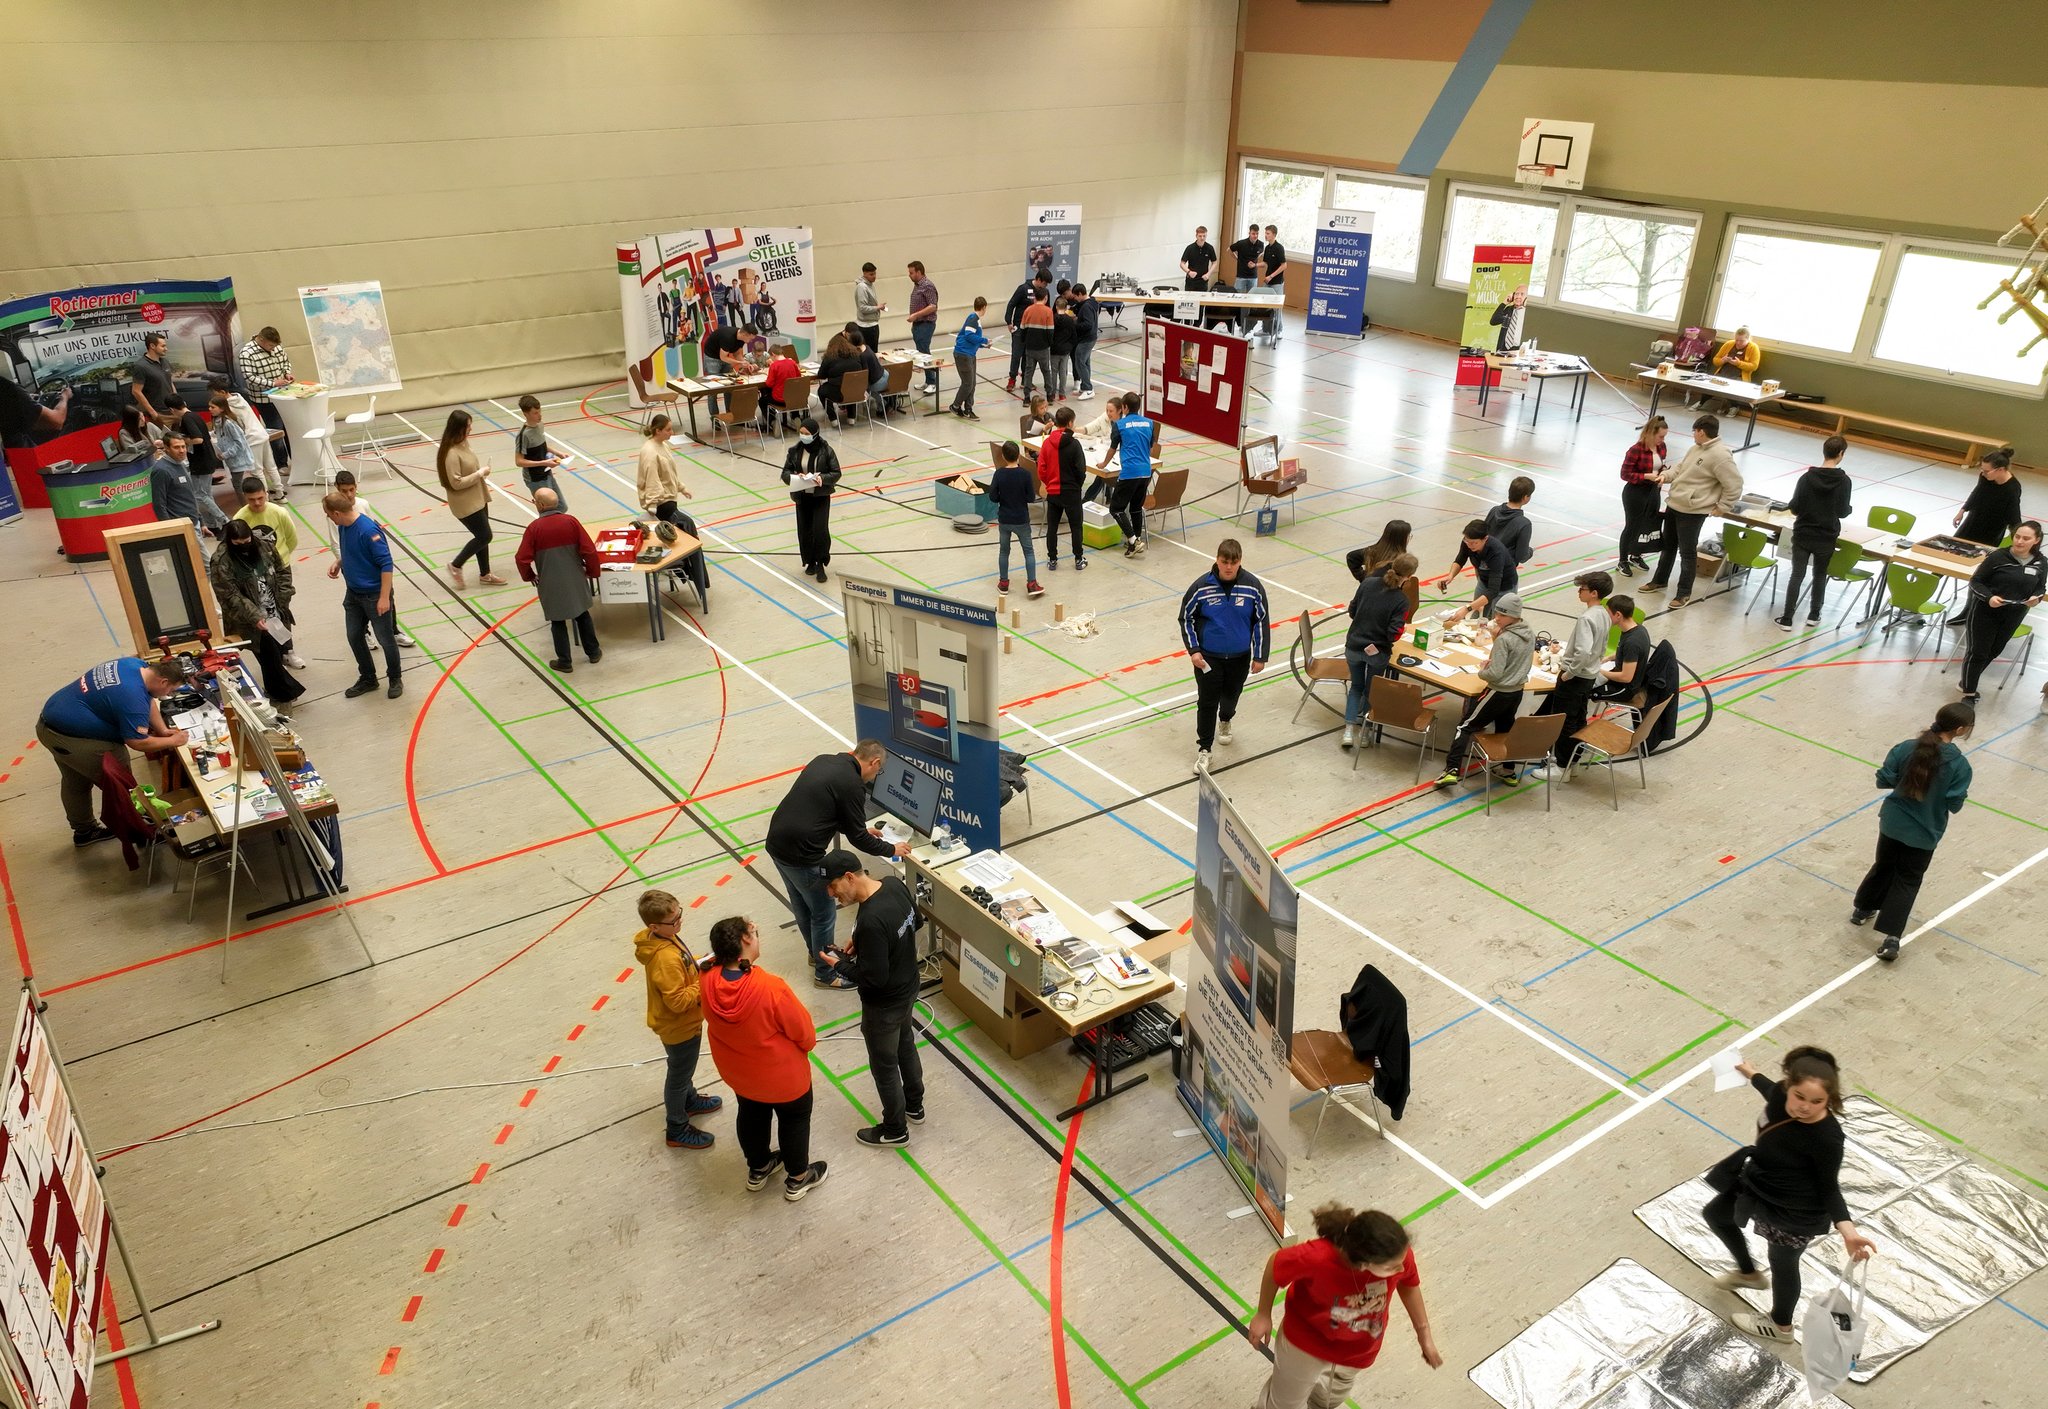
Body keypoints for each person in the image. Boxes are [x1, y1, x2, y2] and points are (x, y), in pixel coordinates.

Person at [1702, 1047, 1876, 1342]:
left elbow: (1829, 1188)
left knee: (1783, 1263)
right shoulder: (1781, 1096)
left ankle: (1780, 1326)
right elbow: (1770, 1089)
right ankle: (1749, 1274)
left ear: (1829, 1099)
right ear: (1789, 1086)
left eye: (1817, 1101)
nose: (1805, 1107)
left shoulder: (1827, 1139)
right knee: (1716, 1214)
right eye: (1799, 1096)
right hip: (1760, 1184)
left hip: (1795, 1211)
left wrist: (1848, 1231)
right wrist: (1750, 1072)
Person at [1245, 1203, 1441, 1409]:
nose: (1401, 1268)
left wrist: (1424, 1335)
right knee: (1285, 1404)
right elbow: (1276, 1264)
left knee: (1326, 1401)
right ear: (1364, 1263)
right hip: (1305, 1346)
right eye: (1392, 1267)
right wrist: (1263, 1314)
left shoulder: (1398, 1255)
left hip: (1354, 1354)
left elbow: (1409, 1284)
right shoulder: (1317, 1257)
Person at [699, 915, 828, 1200]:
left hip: (740, 1074)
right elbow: (805, 1034)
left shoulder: (707, 978)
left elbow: (709, 963)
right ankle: (798, 1178)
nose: (757, 936)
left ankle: (759, 1167)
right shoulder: (770, 988)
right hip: (782, 1077)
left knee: (751, 1114)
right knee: (794, 1120)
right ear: (745, 940)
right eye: (754, 932)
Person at [764, 741, 910, 986]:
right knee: (823, 913)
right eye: (879, 770)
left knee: (802, 905)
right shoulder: (853, 784)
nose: (877, 775)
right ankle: (826, 973)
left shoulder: (824, 760)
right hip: (803, 854)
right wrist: (891, 849)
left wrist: (859, 828)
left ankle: (816, 954)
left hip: (777, 843)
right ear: (874, 763)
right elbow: (858, 840)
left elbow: (824, 811)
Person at [1851, 702, 1974, 963]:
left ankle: (1862, 909)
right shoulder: (1960, 766)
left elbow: (1884, 779)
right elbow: (1955, 804)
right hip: (1924, 832)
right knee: (1908, 880)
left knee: (1884, 865)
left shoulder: (1906, 747)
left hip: (1893, 822)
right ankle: (1891, 938)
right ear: (1960, 730)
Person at [818, 852, 926, 1148]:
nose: (830, 894)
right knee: (905, 1044)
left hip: (884, 1006)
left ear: (849, 878)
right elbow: (915, 923)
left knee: (885, 1067)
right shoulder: (893, 885)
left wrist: (839, 965)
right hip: (909, 987)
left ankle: (895, 1130)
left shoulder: (870, 920)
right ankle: (915, 1106)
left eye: (832, 886)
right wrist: (866, 945)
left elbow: (873, 979)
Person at [36, 655, 191, 846]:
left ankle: (84, 832)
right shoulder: (132, 697)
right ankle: (143, 834)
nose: (169, 694)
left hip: (50, 724)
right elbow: (137, 742)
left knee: (75, 782)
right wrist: (173, 741)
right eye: (171, 690)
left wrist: (163, 730)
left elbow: (149, 698)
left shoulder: (134, 665)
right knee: (124, 788)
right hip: (75, 739)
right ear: (164, 681)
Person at [633, 889, 722, 1152]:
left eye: (679, 914)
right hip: (680, 1027)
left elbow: (682, 969)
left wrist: (698, 963)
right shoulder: (665, 959)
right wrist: (702, 979)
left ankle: (689, 1100)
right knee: (679, 1076)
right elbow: (679, 1001)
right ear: (654, 926)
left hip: (684, 1023)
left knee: (684, 1071)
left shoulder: (665, 937)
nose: (679, 921)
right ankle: (677, 1127)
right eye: (674, 920)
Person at [1180, 539, 1271, 773]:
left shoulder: (1253, 587)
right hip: (1208, 658)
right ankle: (1205, 750)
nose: (1229, 567)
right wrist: (1194, 650)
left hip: (1240, 658)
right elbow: (1186, 618)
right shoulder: (1200, 587)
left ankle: (1226, 719)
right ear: (1217, 560)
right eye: (1224, 562)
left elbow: (1261, 621)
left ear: (1240, 561)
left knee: (1231, 697)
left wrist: (1260, 656)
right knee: (1207, 702)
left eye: (1234, 562)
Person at [1434, 592, 1534, 789]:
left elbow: (1495, 674)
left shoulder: (1505, 639)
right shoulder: (1529, 633)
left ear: (1514, 616)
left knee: (1465, 727)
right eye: (1496, 613)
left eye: (1502, 615)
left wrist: (1482, 671)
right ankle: (1508, 771)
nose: (1497, 618)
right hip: (1516, 692)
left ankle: (1451, 769)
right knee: (1505, 728)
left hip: (1498, 691)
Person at [1641, 414, 1742, 608]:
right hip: (1675, 504)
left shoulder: (1721, 455)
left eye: (1694, 431)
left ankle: (1683, 593)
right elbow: (1680, 469)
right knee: (1668, 546)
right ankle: (1659, 580)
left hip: (1693, 511)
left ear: (1701, 432)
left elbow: (1735, 484)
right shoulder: (1695, 448)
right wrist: (1665, 476)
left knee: (1687, 553)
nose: (1693, 435)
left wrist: (1723, 507)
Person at [208, 520, 304, 705]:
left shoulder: (264, 547)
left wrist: (284, 596)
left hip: (275, 609)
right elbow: (229, 594)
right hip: (249, 618)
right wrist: (254, 616)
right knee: (267, 655)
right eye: (238, 544)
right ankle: (283, 692)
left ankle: (280, 688)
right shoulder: (221, 561)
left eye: (247, 541)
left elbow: (282, 570)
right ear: (230, 541)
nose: (244, 546)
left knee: (276, 650)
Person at [1530, 572, 1613, 779]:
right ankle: (1572, 762)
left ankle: (1561, 767)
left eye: (1582, 589)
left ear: (1594, 593)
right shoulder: (1604, 614)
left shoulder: (1587, 618)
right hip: (1589, 676)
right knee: (1578, 719)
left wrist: (1569, 673)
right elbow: (1601, 647)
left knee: (1564, 721)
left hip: (1576, 677)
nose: (1579, 592)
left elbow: (1583, 652)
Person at [514, 488, 602, 673]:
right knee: (582, 615)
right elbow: (589, 550)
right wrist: (592, 571)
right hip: (575, 578)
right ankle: (593, 652)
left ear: (541, 505)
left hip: (550, 583)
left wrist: (530, 576)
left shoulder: (534, 529)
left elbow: (521, 559)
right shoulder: (571, 522)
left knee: (557, 621)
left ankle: (565, 661)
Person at [325, 490, 402, 698]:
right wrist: (339, 562)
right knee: (354, 635)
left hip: (374, 595)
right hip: (354, 593)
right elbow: (352, 551)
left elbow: (386, 564)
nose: (329, 518)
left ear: (337, 513)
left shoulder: (368, 530)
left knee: (386, 639)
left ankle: (395, 678)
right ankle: (368, 678)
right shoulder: (343, 526)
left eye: (329, 515)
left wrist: (384, 597)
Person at [1957, 520, 2045, 702]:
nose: (2019, 541)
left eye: (2026, 538)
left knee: (1994, 650)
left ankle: (1966, 680)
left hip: (2014, 614)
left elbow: (2040, 587)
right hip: (1985, 612)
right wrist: (1989, 598)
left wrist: (2036, 598)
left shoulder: (2042, 562)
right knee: (1978, 652)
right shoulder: (1998, 557)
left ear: (2036, 540)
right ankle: (1969, 693)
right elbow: (1976, 581)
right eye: (2017, 536)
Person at [1774, 436, 1852, 630]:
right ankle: (1814, 615)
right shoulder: (1844, 481)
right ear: (1841, 454)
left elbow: (1795, 507)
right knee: (1819, 574)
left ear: (1823, 452)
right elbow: (1842, 511)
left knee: (1797, 575)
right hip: (1826, 535)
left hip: (1803, 533)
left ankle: (1787, 619)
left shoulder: (1806, 478)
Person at [231, 478, 307, 669]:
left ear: (266, 493)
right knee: (263, 613)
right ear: (245, 498)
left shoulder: (279, 512)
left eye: (260, 498)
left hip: (279, 570)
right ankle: (274, 655)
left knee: (282, 609)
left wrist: (280, 559)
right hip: (255, 573)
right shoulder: (240, 518)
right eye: (252, 500)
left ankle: (288, 651)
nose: (257, 503)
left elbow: (291, 539)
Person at [1342, 553, 1416, 748]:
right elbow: (1393, 634)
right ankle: (1365, 732)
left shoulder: (1367, 583)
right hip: (1377, 652)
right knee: (1371, 690)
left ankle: (1348, 731)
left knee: (1356, 687)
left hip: (1354, 645)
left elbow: (1352, 611)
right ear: (1409, 576)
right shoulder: (1401, 600)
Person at [436, 409, 504, 589]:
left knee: (482, 536)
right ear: (458, 428)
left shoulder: (463, 443)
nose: (471, 429)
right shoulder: (451, 453)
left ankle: (485, 574)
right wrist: (480, 473)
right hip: (465, 503)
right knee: (485, 535)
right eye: (468, 426)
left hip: (478, 496)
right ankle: (456, 565)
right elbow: (456, 483)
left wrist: (479, 474)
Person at [780, 417, 842, 583]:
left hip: (820, 497)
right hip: (802, 497)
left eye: (806, 433)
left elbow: (836, 473)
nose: (803, 436)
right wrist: (795, 477)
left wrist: (822, 478)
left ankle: (821, 563)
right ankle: (810, 562)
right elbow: (785, 473)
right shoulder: (794, 451)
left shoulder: (826, 450)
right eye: (801, 433)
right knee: (805, 531)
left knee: (820, 530)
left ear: (815, 434)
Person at [1449, 477, 1533, 592]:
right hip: (1503, 576)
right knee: (1497, 600)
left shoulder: (1494, 511)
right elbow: (1521, 556)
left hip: (1483, 569)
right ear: (1525, 498)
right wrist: (1530, 552)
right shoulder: (1524, 523)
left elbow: (1482, 534)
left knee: (1484, 599)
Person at [985, 440, 1044, 597]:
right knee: (1028, 552)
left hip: (1005, 519)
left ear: (1003, 456)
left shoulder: (999, 474)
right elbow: (1031, 498)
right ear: (1018, 455)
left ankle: (1004, 583)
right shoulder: (1025, 474)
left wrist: (1004, 498)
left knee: (1004, 551)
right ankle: (1032, 584)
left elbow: (992, 496)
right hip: (1021, 519)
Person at [235, 325, 295, 476]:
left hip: (283, 394)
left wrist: (287, 373)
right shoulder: (246, 353)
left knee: (290, 427)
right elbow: (249, 378)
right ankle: (281, 463)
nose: (274, 348)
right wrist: (273, 383)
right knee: (276, 430)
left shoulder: (277, 346)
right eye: (270, 346)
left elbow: (285, 362)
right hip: (264, 399)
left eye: (275, 346)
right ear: (261, 340)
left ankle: (296, 459)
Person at [1101, 399, 1157, 556]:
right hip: (1146, 471)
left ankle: (1133, 540)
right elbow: (1150, 447)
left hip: (1129, 472)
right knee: (1136, 508)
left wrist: (1104, 463)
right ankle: (1136, 540)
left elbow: (1113, 448)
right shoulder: (1149, 423)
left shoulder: (1120, 425)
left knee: (1116, 509)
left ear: (1124, 407)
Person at [1617, 416, 1668, 576]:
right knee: (1632, 526)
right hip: (1635, 492)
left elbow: (1659, 466)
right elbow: (1625, 474)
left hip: (1653, 491)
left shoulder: (1661, 447)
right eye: (1661, 436)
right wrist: (1645, 476)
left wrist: (1663, 473)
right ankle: (1622, 561)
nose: (1662, 440)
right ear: (1651, 433)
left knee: (1646, 524)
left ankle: (1636, 555)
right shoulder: (1636, 450)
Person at [1040, 406, 1087, 572]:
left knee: (1052, 527)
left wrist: (1049, 483)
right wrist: (1077, 486)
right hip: (1071, 492)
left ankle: (1052, 559)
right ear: (1070, 423)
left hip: (1053, 492)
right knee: (1076, 526)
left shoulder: (1047, 443)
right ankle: (1078, 559)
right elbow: (1081, 470)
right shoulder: (1075, 444)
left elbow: (1041, 469)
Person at [1443, 520, 1514, 624]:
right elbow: (1460, 560)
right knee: (1475, 618)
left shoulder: (1496, 552)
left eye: (1474, 543)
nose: (1469, 545)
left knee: (1498, 622)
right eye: (1467, 541)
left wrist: (1466, 608)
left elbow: (1493, 591)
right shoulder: (1467, 542)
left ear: (1485, 538)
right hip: (1484, 581)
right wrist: (1451, 576)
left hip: (1504, 587)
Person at [1953, 448, 2023, 546]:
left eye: (1986, 471)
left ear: (2001, 469)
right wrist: (1962, 510)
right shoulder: (1985, 477)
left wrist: (2018, 535)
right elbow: (1977, 493)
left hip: (1992, 528)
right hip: (1974, 519)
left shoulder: (2012, 488)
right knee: (1956, 545)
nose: (1983, 473)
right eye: (1982, 469)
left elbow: (2013, 513)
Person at [637, 414, 695, 527]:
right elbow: (651, 478)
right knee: (687, 523)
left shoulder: (664, 445)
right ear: (658, 431)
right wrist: (652, 504)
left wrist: (681, 488)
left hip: (670, 499)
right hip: (661, 503)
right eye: (668, 430)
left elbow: (670, 473)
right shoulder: (650, 451)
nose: (672, 432)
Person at [512, 393, 569, 508]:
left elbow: (542, 446)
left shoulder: (540, 425)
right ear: (526, 414)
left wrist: (558, 453)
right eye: (535, 413)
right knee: (548, 510)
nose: (540, 415)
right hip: (535, 478)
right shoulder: (523, 435)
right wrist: (544, 462)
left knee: (561, 507)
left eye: (539, 411)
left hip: (546, 473)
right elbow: (519, 461)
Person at [1594, 595, 1649, 702]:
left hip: (1624, 689)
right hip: (1618, 677)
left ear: (1618, 615)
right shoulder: (1637, 628)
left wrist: (1599, 671)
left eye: (1608, 613)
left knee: (1582, 690)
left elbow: (1626, 677)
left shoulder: (1632, 642)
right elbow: (1625, 653)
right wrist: (1607, 659)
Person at [1003, 270, 1051, 392]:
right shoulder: (1023, 289)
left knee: (1028, 356)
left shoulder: (1045, 293)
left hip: (1033, 330)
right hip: (1019, 328)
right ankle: (1012, 379)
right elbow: (1011, 304)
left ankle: (1026, 380)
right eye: (1044, 283)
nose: (1045, 286)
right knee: (1016, 355)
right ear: (1038, 279)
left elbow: (1048, 309)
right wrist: (1009, 321)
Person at [148, 433, 204, 535]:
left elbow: (190, 495)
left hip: (194, 523)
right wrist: (172, 530)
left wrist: (201, 521)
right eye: (176, 447)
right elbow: (159, 504)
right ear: (166, 448)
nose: (182, 450)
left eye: (183, 446)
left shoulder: (180, 463)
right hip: (181, 528)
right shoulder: (161, 471)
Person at [949, 296, 992, 418]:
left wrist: (983, 345)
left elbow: (972, 339)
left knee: (972, 383)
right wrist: (984, 340)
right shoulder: (973, 318)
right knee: (968, 383)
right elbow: (968, 335)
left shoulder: (976, 319)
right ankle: (955, 406)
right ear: (984, 307)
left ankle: (968, 409)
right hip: (963, 354)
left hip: (970, 354)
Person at [816, 332, 865, 427]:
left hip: (837, 393)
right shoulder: (856, 355)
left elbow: (821, 375)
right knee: (850, 385)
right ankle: (851, 417)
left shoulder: (829, 357)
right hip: (857, 392)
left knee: (821, 391)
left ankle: (833, 419)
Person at [130, 330, 176, 425]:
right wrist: (152, 412)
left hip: (173, 410)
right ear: (152, 346)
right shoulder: (140, 366)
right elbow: (136, 391)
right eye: (163, 346)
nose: (166, 349)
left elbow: (170, 382)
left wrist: (177, 402)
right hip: (159, 413)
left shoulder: (165, 361)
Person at [905, 260, 939, 388]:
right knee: (921, 353)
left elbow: (933, 306)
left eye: (911, 273)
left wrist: (916, 315)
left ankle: (932, 382)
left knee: (924, 353)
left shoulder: (927, 285)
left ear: (919, 272)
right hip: (918, 325)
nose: (909, 275)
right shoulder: (917, 285)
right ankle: (928, 381)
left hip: (926, 324)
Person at [1017, 290, 1056, 401]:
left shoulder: (1028, 310)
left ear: (1034, 297)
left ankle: (1026, 397)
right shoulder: (1048, 311)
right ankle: (1049, 395)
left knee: (1028, 372)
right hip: (1043, 348)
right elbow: (1050, 331)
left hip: (1030, 347)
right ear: (1045, 298)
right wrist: (1050, 343)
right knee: (1046, 371)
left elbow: (1022, 329)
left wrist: (1024, 342)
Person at [1345, 520, 1412, 582]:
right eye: (1408, 536)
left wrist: (1365, 579)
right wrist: (1363, 578)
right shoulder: (1398, 561)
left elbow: (1351, 557)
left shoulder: (1372, 550)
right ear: (1402, 539)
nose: (1409, 538)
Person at [1066, 282, 1099, 399]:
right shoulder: (1091, 303)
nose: (1074, 299)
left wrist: (1074, 323)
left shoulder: (1086, 307)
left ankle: (1088, 389)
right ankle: (1085, 386)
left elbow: (1088, 324)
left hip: (1086, 338)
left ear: (1080, 294)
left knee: (1079, 362)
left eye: (1075, 296)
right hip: (1090, 337)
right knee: (1085, 362)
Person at [759, 344, 803, 429]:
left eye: (771, 357)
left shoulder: (774, 366)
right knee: (791, 395)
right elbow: (798, 377)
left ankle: (773, 421)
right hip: (793, 398)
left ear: (773, 354)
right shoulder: (792, 362)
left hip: (779, 399)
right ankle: (796, 417)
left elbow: (769, 384)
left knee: (762, 401)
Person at [1258, 223, 1287, 336]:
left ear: (1274, 235)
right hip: (1267, 282)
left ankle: (1279, 330)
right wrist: (1255, 265)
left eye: (1268, 233)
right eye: (1265, 233)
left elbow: (1284, 265)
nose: (1266, 235)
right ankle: (1265, 329)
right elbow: (1265, 263)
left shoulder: (1279, 248)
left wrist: (1271, 276)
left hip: (1277, 282)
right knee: (1265, 306)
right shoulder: (1267, 248)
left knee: (1277, 307)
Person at [853, 261, 887, 358]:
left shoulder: (869, 285)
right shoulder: (862, 287)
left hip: (871, 324)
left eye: (875, 273)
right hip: (867, 327)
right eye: (871, 274)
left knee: (873, 353)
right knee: (870, 355)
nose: (874, 276)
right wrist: (878, 307)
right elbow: (863, 308)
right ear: (864, 274)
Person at [1048, 296, 1077, 402]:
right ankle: (1062, 394)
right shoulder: (1070, 320)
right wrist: (1069, 346)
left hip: (1054, 349)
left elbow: (1049, 333)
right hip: (1065, 350)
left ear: (1056, 307)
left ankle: (1052, 393)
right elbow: (1074, 336)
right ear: (1066, 308)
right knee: (1063, 372)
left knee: (1053, 372)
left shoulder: (1052, 318)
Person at [1489, 285, 1527, 352]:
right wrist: (1504, 303)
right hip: (1503, 349)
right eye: (1516, 294)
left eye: (1522, 294)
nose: (1518, 296)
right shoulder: (1509, 310)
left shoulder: (1526, 313)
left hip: (1518, 350)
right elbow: (1493, 321)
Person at [1179, 225, 1217, 293]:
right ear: (1196, 236)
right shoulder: (1190, 248)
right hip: (1191, 281)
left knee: (1202, 299)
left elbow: (1214, 262)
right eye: (1200, 236)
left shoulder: (1210, 248)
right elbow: (1182, 263)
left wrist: (1208, 274)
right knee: (1189, 298)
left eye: (1204, 236)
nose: (1202, 238)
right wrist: (1189, 272)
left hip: (1203, 281)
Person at [1229, 223, 1265, 294]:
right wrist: (1237, 258)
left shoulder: (1261, 244)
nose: (1255, 236)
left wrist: (1254, 262)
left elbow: (1260, 253)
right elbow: (1230, 249)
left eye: (1257, 234)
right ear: (1249, 233)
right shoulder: (1241, 243)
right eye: (1253, 233)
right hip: (1241, 275)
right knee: (1238, 296)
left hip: (1253, 276)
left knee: (1252, 297)